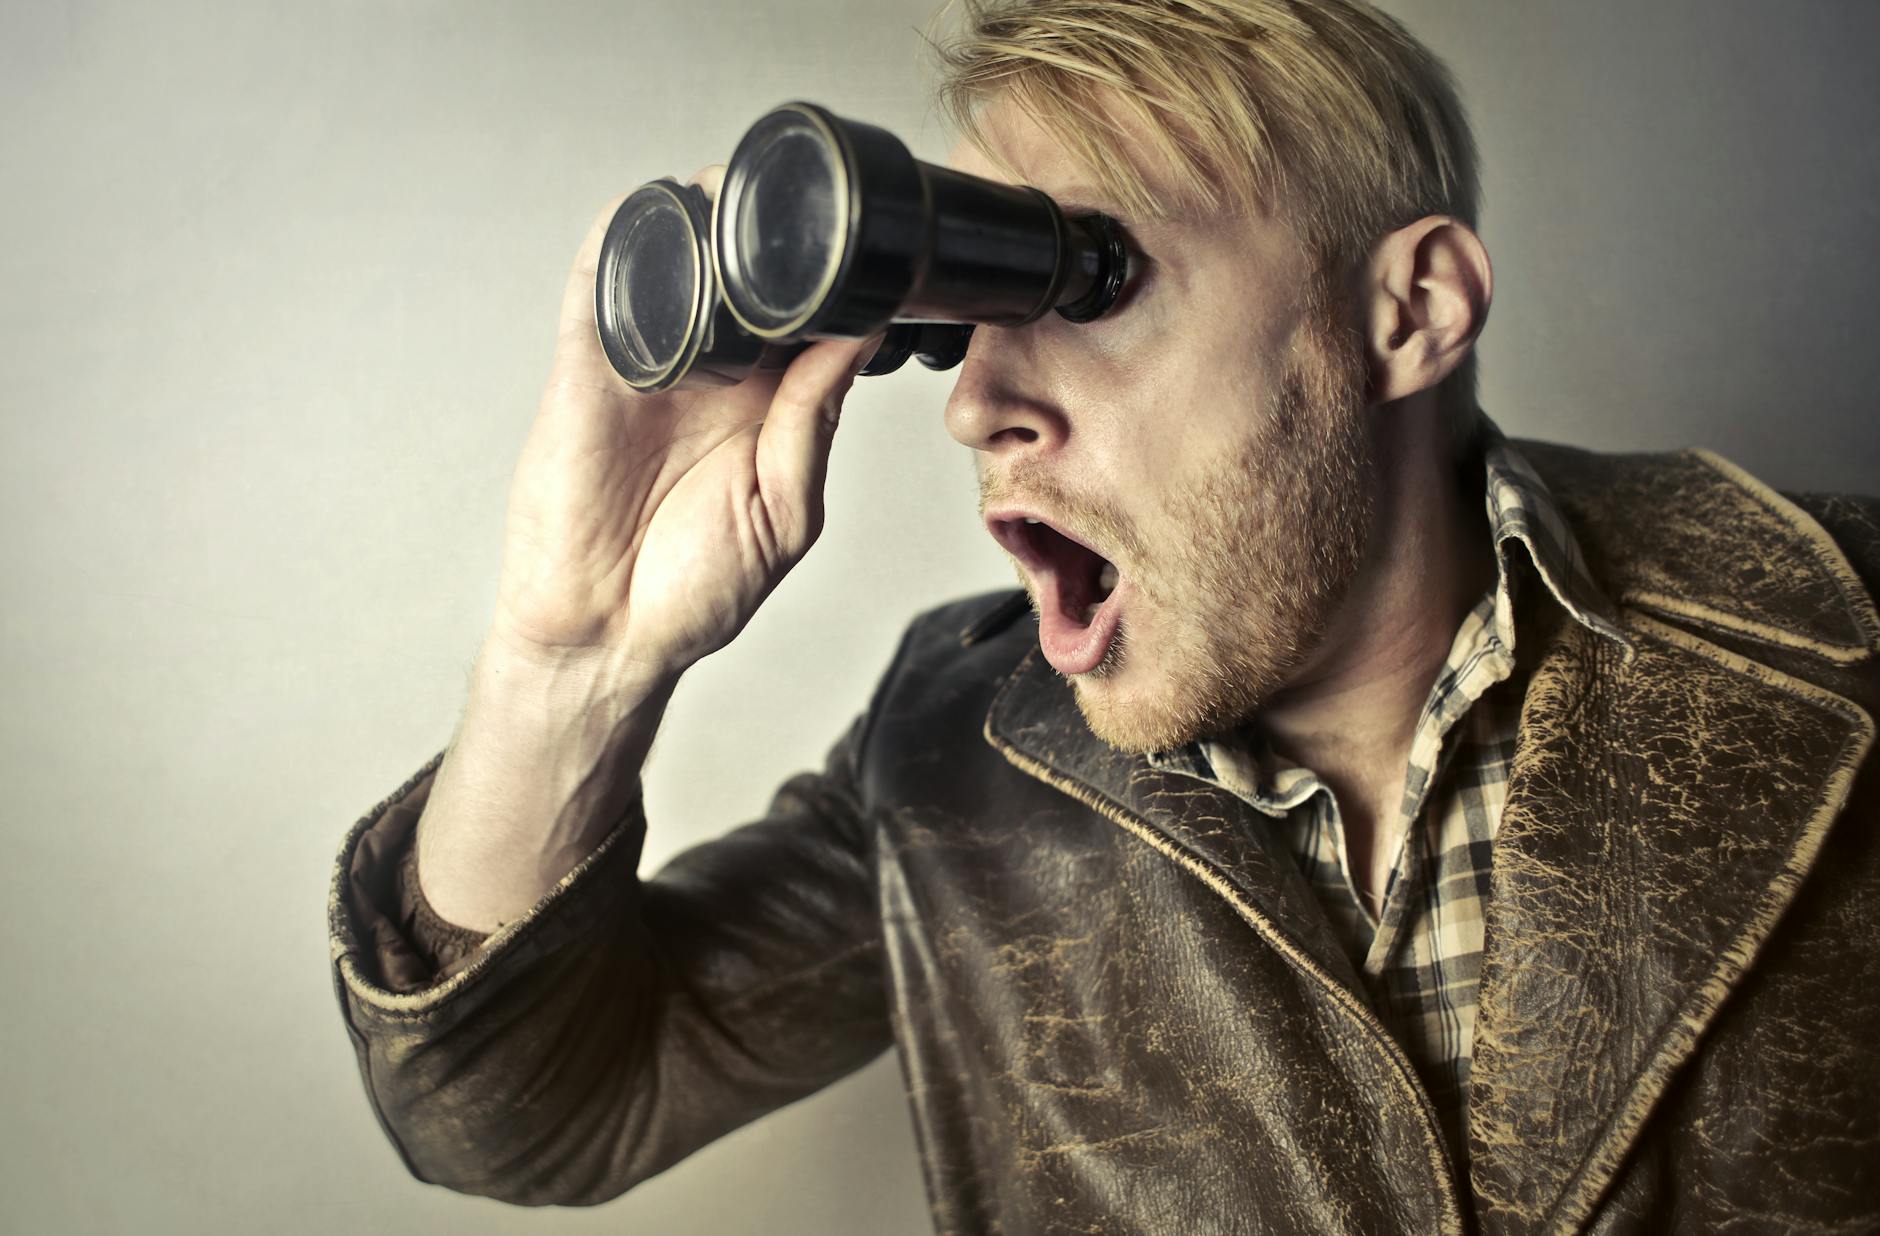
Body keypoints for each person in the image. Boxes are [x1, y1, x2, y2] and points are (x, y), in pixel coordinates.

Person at [327, 0, 1880, 1231]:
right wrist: (572, 666)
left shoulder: (1841, 623)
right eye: (960, 331)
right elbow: (532, 1111)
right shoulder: (954, 752)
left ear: (1409, 311)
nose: (982, 404)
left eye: (1092, 281)